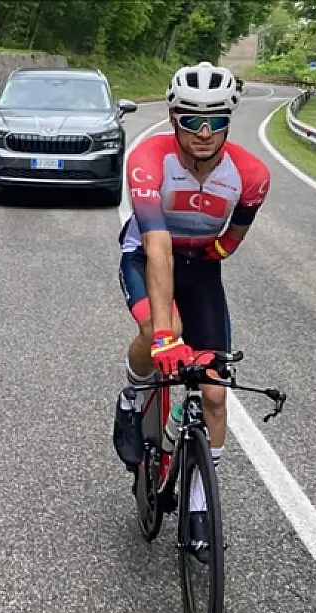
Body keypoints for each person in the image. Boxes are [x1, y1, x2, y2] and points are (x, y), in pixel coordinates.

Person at [111, 62, 271, 550]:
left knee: (215, 392)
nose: (204, 132)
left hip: (200, 266)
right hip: (147, 255)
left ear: (228, 122)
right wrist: (165, 336)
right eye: (192, 120)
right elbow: (157, 245)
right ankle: (132, 399)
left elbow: (234, 236)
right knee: (162, 330)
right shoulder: (149, 159)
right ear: (173, 118)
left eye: (216, 120)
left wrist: (211, 254)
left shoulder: (251, 175)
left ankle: (200, 504)